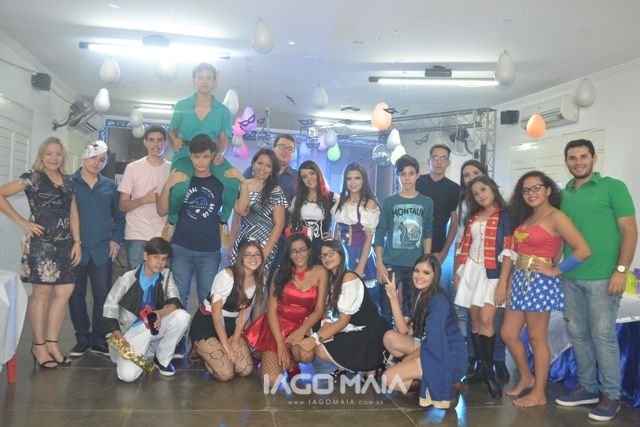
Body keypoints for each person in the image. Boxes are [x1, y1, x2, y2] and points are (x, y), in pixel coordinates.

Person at [554, 139, 637, 421]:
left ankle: (611, 395)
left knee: (602, 336)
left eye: (583, 156)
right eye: (572, 158)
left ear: (593, 158)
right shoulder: (563, 195)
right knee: (577, 334)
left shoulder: (613, 187)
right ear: (566, 161)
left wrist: (621, 270)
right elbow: (559, 235)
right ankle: (588, 387)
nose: (578, 162)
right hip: (570, 277)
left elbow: (630, 231)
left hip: (604, 277)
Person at [501, 171, 590, 407]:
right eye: (526, 190)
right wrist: (509, 282)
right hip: (520, 280)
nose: (531, 193)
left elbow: (583, 250)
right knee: (508, 333)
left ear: (548, 190)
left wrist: (556, 270)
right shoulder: (528, 217)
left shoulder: (556, 216)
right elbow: (517, 252)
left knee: (536, 337)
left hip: (540, 282)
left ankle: (539, 393)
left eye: (536, 188)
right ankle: (527, 378)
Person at [0, 137, 81, 368]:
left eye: (58, 154)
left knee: (65, 291)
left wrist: (77, 242)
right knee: (42, 294)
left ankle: (52, 343)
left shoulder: (68, 181)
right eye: (49, 153)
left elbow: (73, 213)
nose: (54, 158)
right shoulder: (32, 178)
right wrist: (22, 222)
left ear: (63, 156)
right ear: (41, 156)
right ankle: (38, 345)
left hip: (65, 244)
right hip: (41, 245)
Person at [454, 175, 514, 398]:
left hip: (492, 274)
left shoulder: (506, 215)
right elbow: (463, 246)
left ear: (492, 188)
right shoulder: (473, 216)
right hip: (470, 271)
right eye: (476, 193)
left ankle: (489, 374)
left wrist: (503, 283)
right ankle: (481, 369)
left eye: (483, 190)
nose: (480, 195)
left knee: (487, 320)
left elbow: (509, 251)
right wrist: (458, 274)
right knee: (475, 322)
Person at [381, 254, 466, 409]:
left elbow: (434, 343)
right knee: (389, 337)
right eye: (417, 271)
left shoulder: (439, 301)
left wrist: (406, 361)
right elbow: (403, 330)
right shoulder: (416, 293)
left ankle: (445, 385)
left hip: (446, 353)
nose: (419, 276)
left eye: (426, 273)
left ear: (435, 276)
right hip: (428, 345)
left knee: (388, 378)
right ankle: (426, 381)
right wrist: (393, 298)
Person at [243, 234, 328, 387]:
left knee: (306, 355)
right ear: (288, 254)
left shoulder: (320, 271)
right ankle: (268, 359)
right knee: (272, 381)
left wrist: (302, 330)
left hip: (300, 326)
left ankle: (291, 361)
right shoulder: (280, 273)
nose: (298, 254)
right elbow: (271, 311)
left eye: (302, 250)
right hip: (276, 326)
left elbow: (319, 309)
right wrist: (280, 344)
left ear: (309, 251)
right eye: (293, 251)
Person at [102, 237, 190, 382]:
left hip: (153, 327)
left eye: (164, 259)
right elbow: (108, 312)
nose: (160, 262)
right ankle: (143, 359)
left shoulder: (166, 275)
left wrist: (159, 314)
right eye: (156, 257)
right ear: (145, 256)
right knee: (127, 376)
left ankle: (161, 360)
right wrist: (121, 341)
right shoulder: (126, 279)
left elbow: (175, 302)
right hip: (128, 333)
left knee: (182, 316)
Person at [298, 239, 390, 375]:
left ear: (341, 254)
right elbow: (327, 308)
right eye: (323, 255)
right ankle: (357, 365)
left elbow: (343, 321)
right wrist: (326, 321)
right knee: (314, 328)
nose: (326, 258)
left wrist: (315, 339)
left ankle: (368, 364)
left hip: (368, 331)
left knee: (320, 348)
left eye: (331, 253)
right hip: (351, 326)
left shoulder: (349, 277)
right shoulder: (332, 278)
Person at [69, 141, 125, 358]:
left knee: (102, 295)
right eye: (93, 157)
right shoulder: (69, 183)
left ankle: (99, 339)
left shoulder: (110, 186)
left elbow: (119, 218)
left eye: (102, 159)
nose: (97, 162)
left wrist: (116, 240)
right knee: (76, 294)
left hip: (102, 250)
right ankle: (82, 338)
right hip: (76, 250)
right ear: (84, 157)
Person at [189, 238, 264, 381]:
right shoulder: (227, 275)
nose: (253, 258)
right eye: (248, 254)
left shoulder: (259, 280)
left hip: (231, 326)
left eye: (256, 254)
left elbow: (244, 315)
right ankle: (201, 353)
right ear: (240, 256)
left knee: (245, 369)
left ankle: (216, 351)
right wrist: (226, 346)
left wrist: (235, 340)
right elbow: (216, 313)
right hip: (207, 323)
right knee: (226, 374)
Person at [374, 154, 433, 322]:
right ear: (397, 176)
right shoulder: (389, 202)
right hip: (391, 262)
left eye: (411, 173)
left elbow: (427, 233)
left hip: (415, 264)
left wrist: (426, 261)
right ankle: (386, 338)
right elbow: (380, 232)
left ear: (418, 175)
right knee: (386, 310)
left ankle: (408, 337)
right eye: (403, 174)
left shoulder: (427, 202)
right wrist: (379, 263)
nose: (407, 178)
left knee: (412, 310)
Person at [118, 125, 170, 269]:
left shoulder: (172, 169)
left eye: (160, 140)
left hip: (162, 234)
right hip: (137, 233)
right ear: (145, 142)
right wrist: (143, 200)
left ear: (165, 143)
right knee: (136, 277)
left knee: (159, 278)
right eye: (152, 140)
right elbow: (122, 205)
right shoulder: (133, 168)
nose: (156, 144)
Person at [229, 149, 287, 272]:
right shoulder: (243, 185)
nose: (263, 168)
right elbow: (236, 219)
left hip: (264, 245)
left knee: (257, 282)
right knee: (237, 280)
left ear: (272, 170)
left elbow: (279, 224)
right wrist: (231, 244)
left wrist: (265, 252)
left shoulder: (275, 190)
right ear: (253, 164)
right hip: (241, 243)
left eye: (268, 166)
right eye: (260, 163)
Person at [169, 63, 231, 162]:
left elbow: (223, 139)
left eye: (208, 78)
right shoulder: (181, 105)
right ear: (194, 81)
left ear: (214, 82)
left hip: (210, 159)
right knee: (177, 173)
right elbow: (171, 131)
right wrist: (174, 140)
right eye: (200, 77)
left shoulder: (223, 111)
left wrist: (219, 154)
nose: (204, 81)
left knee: (231, 172)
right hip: (183, 156)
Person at [332, 162, 380, 283]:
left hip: (361, 255)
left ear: (364, 180)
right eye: (349, 178)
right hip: (342, 254)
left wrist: (361, 266)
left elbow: (369, 239)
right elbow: (338, 227)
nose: (353, 182)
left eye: (357, 178)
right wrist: (333, 248)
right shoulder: (341, 202)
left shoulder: (368, 204)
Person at [416, 144, 459, 264]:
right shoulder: (417, 182)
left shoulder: (454, 189)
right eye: (435, 157)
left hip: (437, 247)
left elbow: (454, 224)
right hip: (412, 243)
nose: (439, 162)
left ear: (448, 163)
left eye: (443, 158)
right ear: (429, 161)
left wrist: (444, 253)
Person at [288, 160, 337, 264]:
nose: (309, 179)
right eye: (304, 176)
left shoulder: (332, 198)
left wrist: (335, 237)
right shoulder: (297, 199)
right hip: (302, 248)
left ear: (318, 174)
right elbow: (291, 223)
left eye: (311, 173)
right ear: (301, 180)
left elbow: (342, 221)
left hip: (323, 248)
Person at [243, 134, 298, 203]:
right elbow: (240, 191)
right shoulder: (257, 170)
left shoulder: (297, 177)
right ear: (273, 148)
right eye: (282, 147)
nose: (285, 151)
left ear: (293, 153)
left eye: (290, 149)